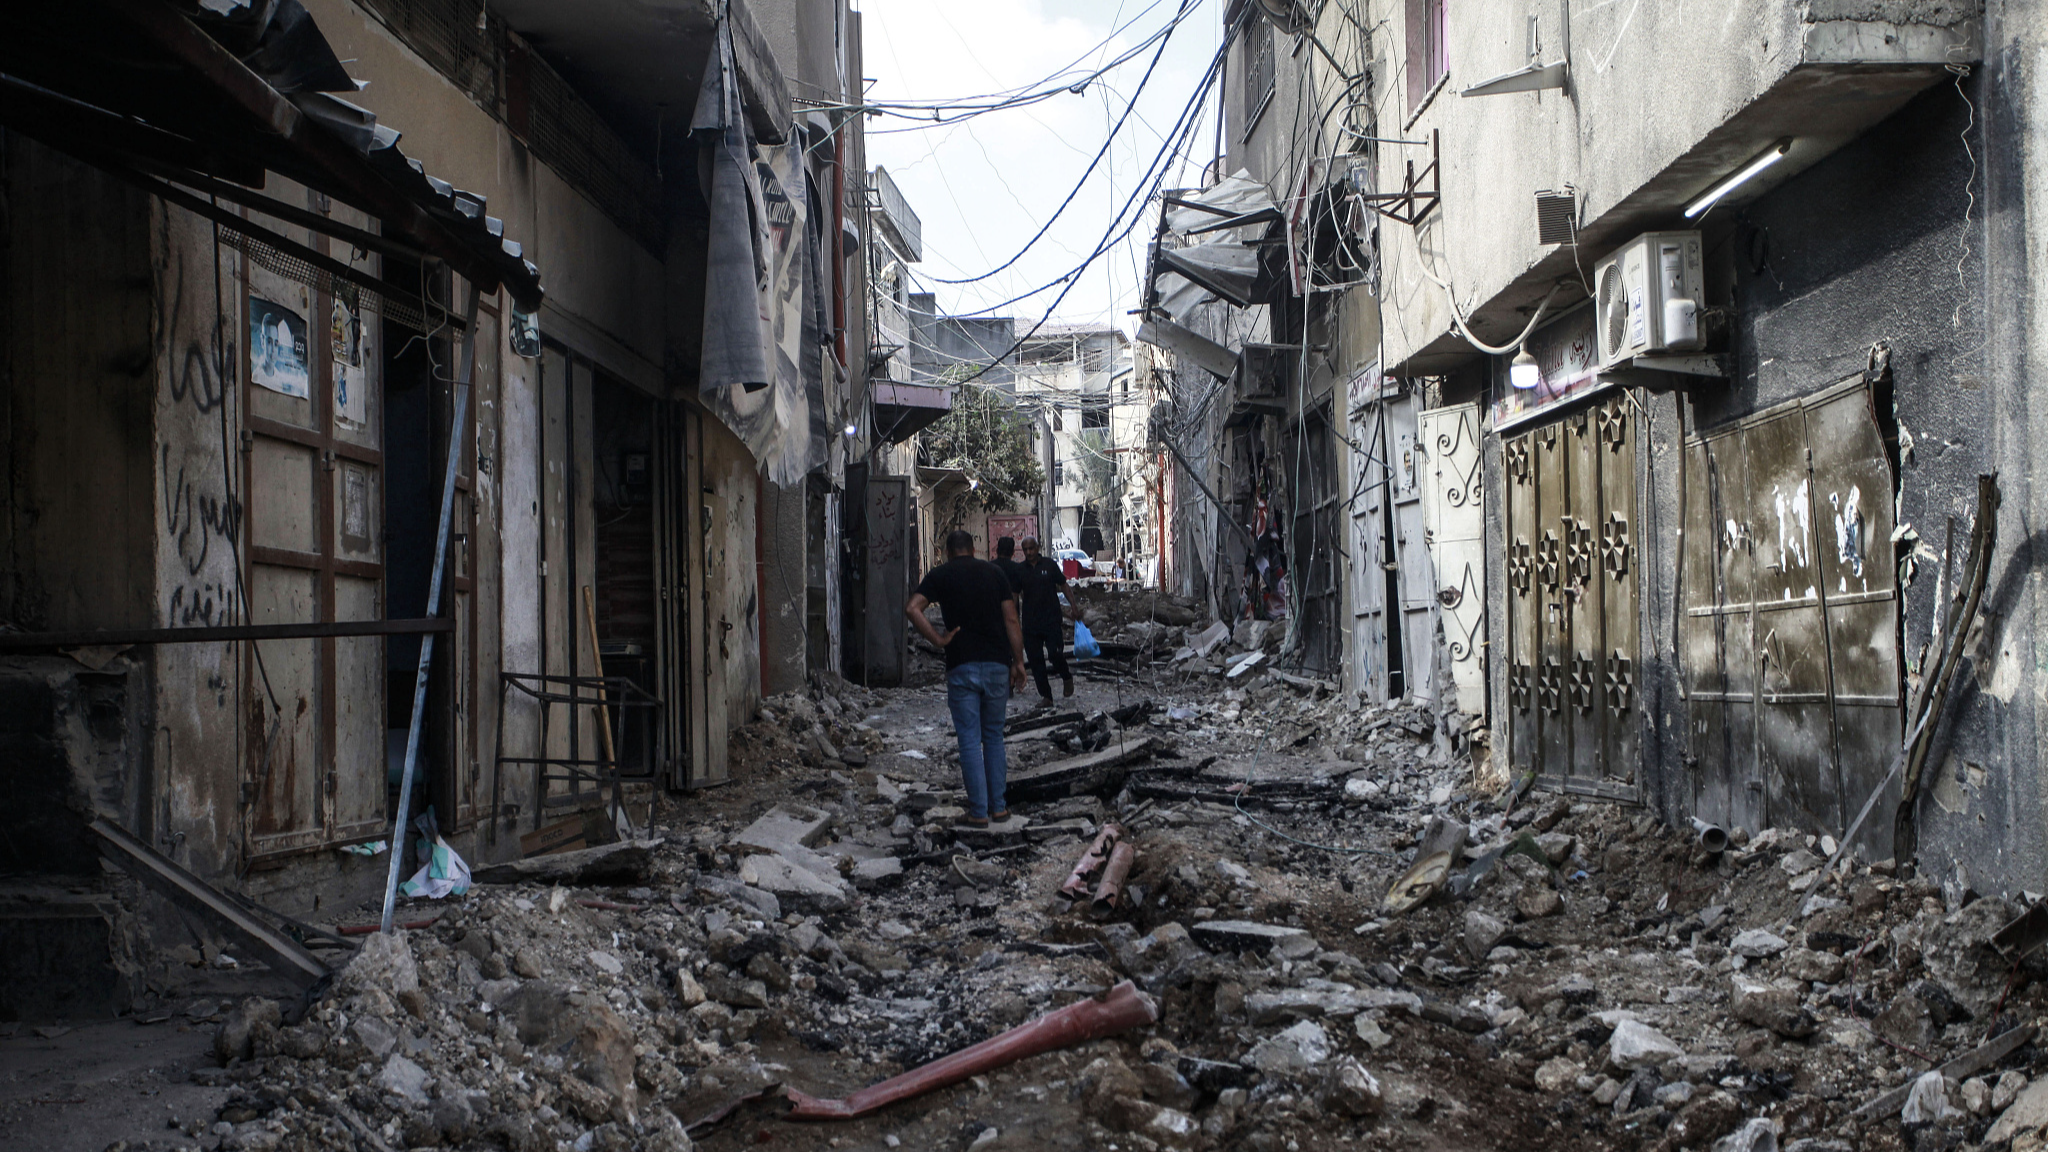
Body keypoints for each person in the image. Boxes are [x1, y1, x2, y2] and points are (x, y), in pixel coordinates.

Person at [905, 529, 1026, 828]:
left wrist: (938, 640)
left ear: (948, 552)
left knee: (970, 741)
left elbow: (912, 608)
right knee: (994, 737)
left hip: (962, 665)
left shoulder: (941, 575)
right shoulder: (995, 573)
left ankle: (978, 812)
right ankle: (999, 808)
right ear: (974, 550)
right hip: (998, 665)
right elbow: (1011, 618)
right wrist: (1019, 661)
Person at [1014, 536, 1075, 707]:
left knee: (1055, 654)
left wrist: (1074, 607)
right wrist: (1014, 620)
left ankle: (1066, 676)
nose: (1029, 552)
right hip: (1030, 623)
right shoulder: (1020, 570)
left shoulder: (1049, 565)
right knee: (1035, 660)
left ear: (1038, 547)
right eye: (1025, 550)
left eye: (1031, 548)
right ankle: (1046, 696)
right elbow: (1014, 596)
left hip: (1051, 619)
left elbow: (1064, 585)